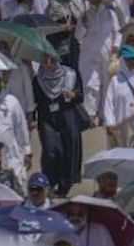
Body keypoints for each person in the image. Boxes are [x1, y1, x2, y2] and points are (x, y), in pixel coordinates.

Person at [33, 54, 84, 196]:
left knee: (66, 151)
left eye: (50, 60)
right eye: (44, 60)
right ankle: (49, 182)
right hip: (47, 119)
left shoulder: (70, 75)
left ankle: (63, 185)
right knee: (50, 151)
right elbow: (34, 101)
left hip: (66, 117)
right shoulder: (38, 79)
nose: (47, 63)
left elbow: (81, 96)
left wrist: (73, 95)